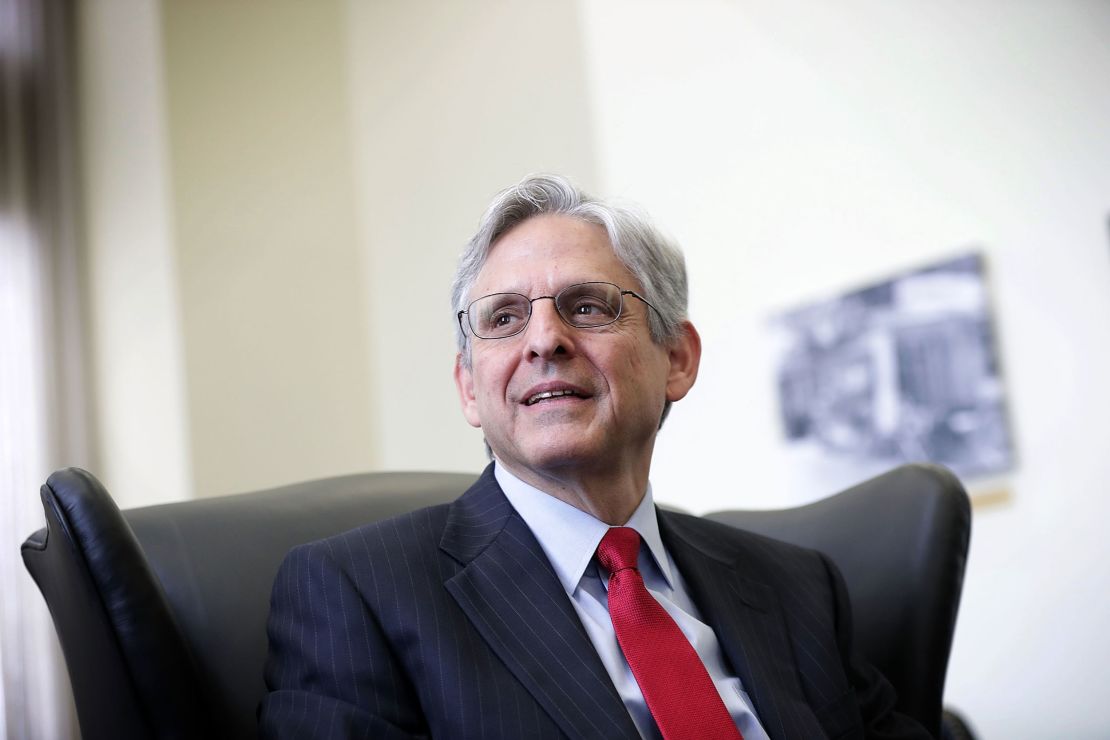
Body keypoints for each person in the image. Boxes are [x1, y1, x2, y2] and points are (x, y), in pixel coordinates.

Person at [259, 174, 929, 739]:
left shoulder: (796, 587)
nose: (545, 339)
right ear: (469, 388)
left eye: (587, 307)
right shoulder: (353, 593)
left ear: (677, 359)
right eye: (503, 318)